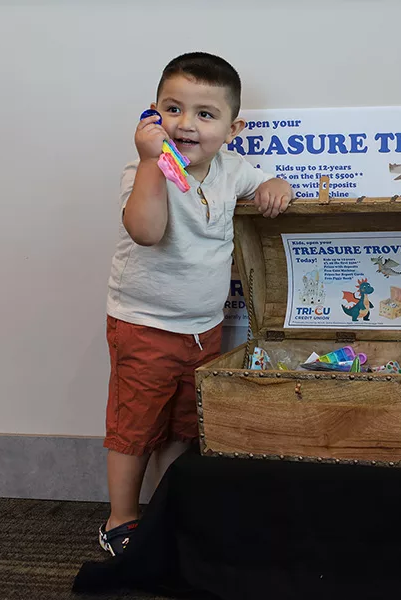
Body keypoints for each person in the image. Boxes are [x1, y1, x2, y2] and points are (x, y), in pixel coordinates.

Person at [99, 52, 292, 556]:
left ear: (232, 129)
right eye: (173, 109)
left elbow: (265, 184)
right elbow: (145, 231)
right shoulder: (145, 171)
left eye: (206, 114)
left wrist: (275, 186)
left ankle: (169, 507)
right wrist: (148, 161)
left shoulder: (232, 169)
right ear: (152, 114)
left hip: (205, 328)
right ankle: (121, 519)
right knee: (135, 425)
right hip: (144, 324)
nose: (186, 124)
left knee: (187, 424)